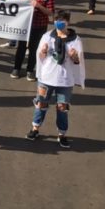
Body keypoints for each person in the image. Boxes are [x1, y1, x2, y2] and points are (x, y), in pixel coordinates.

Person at [25, 10, 85, 149]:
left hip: (65, 80)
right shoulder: (47, 36)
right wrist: (43, 51)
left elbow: (78, 61)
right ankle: (35, 128)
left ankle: (62, 134)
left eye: (62, 21)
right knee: (41, 104)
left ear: (68, 22)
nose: (59, 23)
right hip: (46, 78)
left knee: (62, 108)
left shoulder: (75, 40)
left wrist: (74, 57)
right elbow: (40, 56)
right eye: (57, 20)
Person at [12, 0, 55, 82]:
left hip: (39, 25)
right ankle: (16, 68)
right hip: (26, 25)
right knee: (21, 47)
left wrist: (38, 6)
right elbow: (19, 3)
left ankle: (30, 70)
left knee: (34, 48)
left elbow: (50, 12)